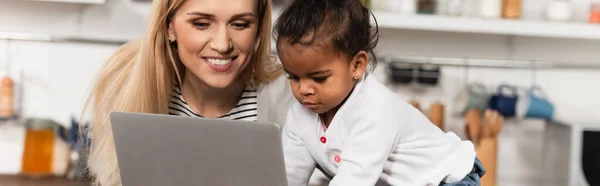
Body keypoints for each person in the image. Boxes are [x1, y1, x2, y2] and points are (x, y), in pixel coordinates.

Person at [82, 0, 295, 185]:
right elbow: (112, 177)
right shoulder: (125, 79)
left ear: (258, 29)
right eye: (201, 24)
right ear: (169, 26)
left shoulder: (289, 94)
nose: (222, 45)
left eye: (240, 25)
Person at [274, 0, 485, 185]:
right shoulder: (299, 116)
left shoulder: (373, 109)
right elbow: (287, 177)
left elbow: (354, 179)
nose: (304, 89)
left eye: (319, 78)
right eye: (293, 77)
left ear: (357, 65)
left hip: (446, 178)